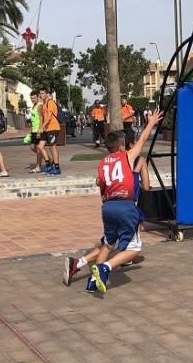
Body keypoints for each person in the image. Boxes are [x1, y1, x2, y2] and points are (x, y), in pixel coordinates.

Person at [63, 110, 163, 292]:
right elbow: (143, 140)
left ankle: (93, 281)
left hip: (107, 207)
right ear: (122, 146)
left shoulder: (103, 162)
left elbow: (98, 182)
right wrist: (151, 122)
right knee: (134, 250)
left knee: (109, 244)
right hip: (125, 205)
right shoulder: (128, 157)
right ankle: (105, 268)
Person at [38, 88, 61, 174]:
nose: (41, 95)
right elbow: (43, 118)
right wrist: (40, 129)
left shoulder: (50, 103)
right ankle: (48, 164)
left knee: (52, 147)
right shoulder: (43, 104)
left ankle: (57, 167)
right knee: (40, 146)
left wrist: (42, 127)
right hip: (46, 129)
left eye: (43, 93)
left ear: (47, 94)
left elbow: (49, 117)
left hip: (53, 128)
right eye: (40, 93)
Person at [26, 91, 47, 173]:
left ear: (38, 97)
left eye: (34, 98)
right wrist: (31, 131)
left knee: (39, 148)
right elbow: (33, 120)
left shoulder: (40, 105)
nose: (32, 99)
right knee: (32, 147)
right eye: (31, 98)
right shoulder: (33, 106)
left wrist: (39, 130)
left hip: (39, 130)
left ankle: (38, 166)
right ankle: (48, 158)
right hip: (33, 130)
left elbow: (41, 118)